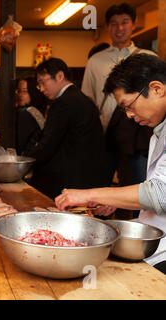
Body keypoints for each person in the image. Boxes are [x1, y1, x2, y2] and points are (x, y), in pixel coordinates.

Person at [56, 53, 166, 273]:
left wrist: (88, 194)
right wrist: (117, 201)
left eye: (128, 105)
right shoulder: (156, 133)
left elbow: (160, 193)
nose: (128, 115)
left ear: (156, 89)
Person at [81, 3, 156, 193]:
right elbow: (87, 100)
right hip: (105, 136)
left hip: (139, 135)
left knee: (140, 188)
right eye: (114, 24)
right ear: (107, 27)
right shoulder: (95, 61)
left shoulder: (149, 58)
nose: (119, 28)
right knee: (100, 190)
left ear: (134, 24)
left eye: (124, 22)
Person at [23, 57, 108, 199]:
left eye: (43, 82)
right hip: (88, 176)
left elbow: (49, 144)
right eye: (39, 85)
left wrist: (25, 160)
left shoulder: (62, 103)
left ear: (60, 76)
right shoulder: (84, 99)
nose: (42, 89)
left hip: (68, 180)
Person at [15, 77, 47, 155]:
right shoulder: (38, 111)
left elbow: (20, 145)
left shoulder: (26, 113)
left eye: (25, 91)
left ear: (33, 92)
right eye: (19, 91)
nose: (20, 95)